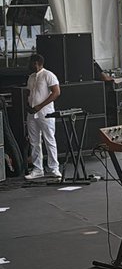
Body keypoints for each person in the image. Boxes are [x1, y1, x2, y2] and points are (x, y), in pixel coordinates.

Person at [25, 53, 62, 181]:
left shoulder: (48, 75)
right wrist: (29, 104)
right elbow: (29, 93)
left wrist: (40, 106)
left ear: (36, 63)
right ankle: (37, 169)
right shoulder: (31, 77)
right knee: (34, 141)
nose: (30, 65)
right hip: (32, 113)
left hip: (45, 112)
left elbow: (56, 92)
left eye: (31, 63)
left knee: (49, 139)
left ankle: (54, 168)